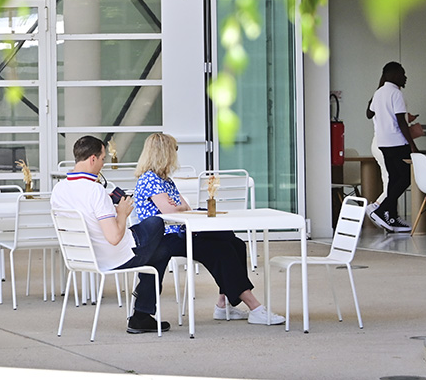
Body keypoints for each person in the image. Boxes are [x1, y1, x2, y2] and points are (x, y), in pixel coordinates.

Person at [132, 132, 284, 325]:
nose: (176, 154)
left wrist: (177, 206)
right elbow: (172, 211)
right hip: (165, 237)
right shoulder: (149, 179)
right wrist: (177, 207)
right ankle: (255, 307)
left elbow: (184, 207)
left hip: (181, 232)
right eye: (174, 149)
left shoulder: (165, 180)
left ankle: (224, 305)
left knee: (235, 243)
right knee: (221, 251)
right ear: (164, 153)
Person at [50, 135, 173, 334]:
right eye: (102, 159)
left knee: (163, 250)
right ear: (92, 159)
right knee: (156, 223)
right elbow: (115, 237)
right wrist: (122, 213)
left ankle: (141, 317)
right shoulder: (95, 191)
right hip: (115, 257)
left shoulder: (58, 189)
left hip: (82, 256)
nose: (103, 164)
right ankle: (141, 315)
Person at [366, 61, 419, 232]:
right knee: (404, 178)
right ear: (394, 74)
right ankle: (381, 210)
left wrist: (380, 86)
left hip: (383, 143)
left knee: (393, 180)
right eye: (402, 73)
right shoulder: (396, 94)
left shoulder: (378, 93)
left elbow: (369, 113)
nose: (405, 77)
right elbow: (401, 122)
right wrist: (412, 145)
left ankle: (392, 217)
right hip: (397, 142)